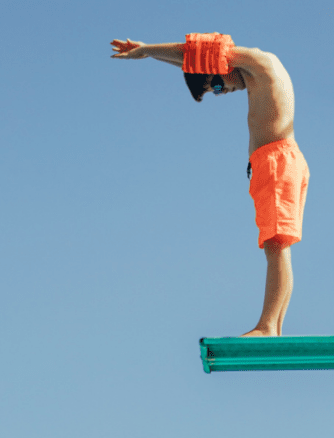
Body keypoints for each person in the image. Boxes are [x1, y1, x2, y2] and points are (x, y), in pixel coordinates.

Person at [111, 33, 309, 337]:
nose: (222, 92)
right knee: (276, 245)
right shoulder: (257, 73)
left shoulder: (259, 62)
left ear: (218, 65)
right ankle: (274, 328)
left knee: (276, 246)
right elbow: (197, 61)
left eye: (216, 85)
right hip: (273, 162)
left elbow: (194, 53)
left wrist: (147, 50)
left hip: (276, 161)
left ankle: (268, 326)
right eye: (215, 90)